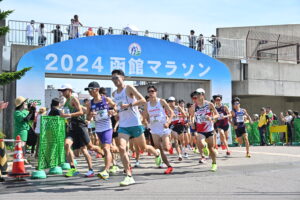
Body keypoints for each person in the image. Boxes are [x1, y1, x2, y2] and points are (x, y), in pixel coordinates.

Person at [111, 69, 162, 186]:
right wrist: (116, 112)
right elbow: (118, 107)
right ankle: (129, 175)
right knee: (122, 148)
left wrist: (129, 105)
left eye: (116, 78)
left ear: (122, 78)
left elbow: (143, 100)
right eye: (112, 78)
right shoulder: (114, 94)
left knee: (143, 148)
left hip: (135, 123)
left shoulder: (128, 88)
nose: (114, 80)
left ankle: (157, 153)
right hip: (123, 125)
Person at [58, 84, 103, 177]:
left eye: (64, 90)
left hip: (80, 126)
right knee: (67, 144)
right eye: (61, 90)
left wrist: (67, 115)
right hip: (71, 128)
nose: (62, 92)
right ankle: (73, 168)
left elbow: (81, 112)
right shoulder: (66, 102)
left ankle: (97, 162)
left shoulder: (73, 99)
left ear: (69, 90)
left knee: (89, 148)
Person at [85, 81, 116, 180]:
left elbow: (116, 108)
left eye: (91, 90)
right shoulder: (90, 103)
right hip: (98, 129)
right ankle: (122, 151)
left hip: (107, 127)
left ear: (97, 90)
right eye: (88, 90)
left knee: (106, 149)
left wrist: (113, 111)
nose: (89, 92)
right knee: (108, 149)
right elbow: (88, 118)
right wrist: (91, 115)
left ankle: (106, 171)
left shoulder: (106, 99)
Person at [143, 85, 175, 174]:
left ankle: (170, 145)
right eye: (149, 91)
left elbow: (171, 113)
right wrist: (145, 122)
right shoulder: (147, 104)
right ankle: (169, 166)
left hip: (163, 128)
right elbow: (144, 117)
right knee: (159, 149)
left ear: (156, 92)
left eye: (152, 91)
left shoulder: (161, 101)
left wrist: (168, 122)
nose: (151, 93)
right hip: (154, 130)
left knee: (166, 148)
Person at [189, 88, 219, 172]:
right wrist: (191, 123)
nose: (197, 96)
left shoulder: (209, 104)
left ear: (203, 95)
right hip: (200, 130)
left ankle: (214, 164)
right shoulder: (194, 106)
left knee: (211, 149)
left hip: (209, 129)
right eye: (196, 94)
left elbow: (217, 115)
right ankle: (204, 147)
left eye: (199, 94)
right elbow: (190, 117)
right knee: (201, 141)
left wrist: (211, 118)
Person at [168, 96, 186, 161]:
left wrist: (177, 115)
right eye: (169, 101)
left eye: (172, 101)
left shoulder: (178, 108)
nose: (171, 103)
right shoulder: (167, 109)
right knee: (175, 140)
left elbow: (185, 115)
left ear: (174, 102)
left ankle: (183, 151)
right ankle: (179, 155)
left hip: (180, 124)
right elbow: (165, 116)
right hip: (172, 125)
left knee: (182, 141)